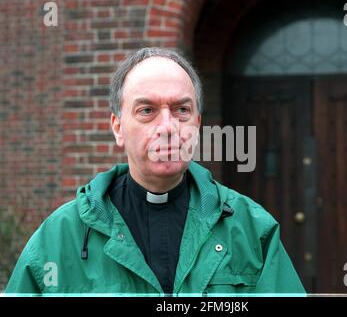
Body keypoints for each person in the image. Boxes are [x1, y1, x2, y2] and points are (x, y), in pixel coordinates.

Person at [5, 47, 305, 295]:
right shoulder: (60, 239)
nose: (167, 127)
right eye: (146, 110)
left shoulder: (252, 230)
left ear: (197, 125)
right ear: (118, 127)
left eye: (181, 110)